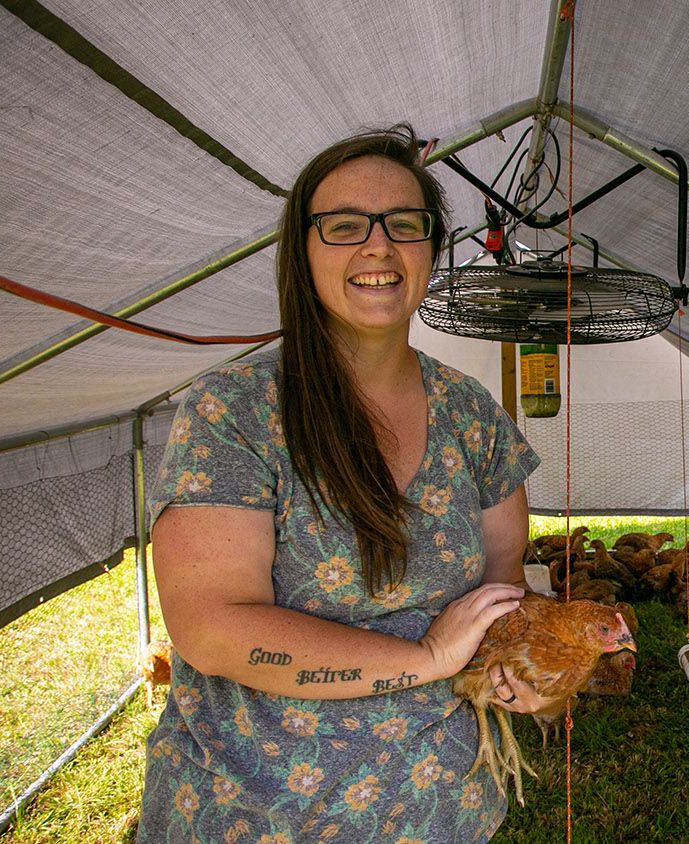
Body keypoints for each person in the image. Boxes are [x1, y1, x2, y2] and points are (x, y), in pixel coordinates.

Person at [138, 124, 545, 842]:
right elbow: (212, 627)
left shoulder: (471, 414)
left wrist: (510, 657)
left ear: (431, 250)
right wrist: (424, 660)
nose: (379, 246)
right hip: (260, 814)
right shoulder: (236, 409)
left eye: (405, 225)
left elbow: (504, 572)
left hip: (439, 809)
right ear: (302, 250)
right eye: (346, 226)